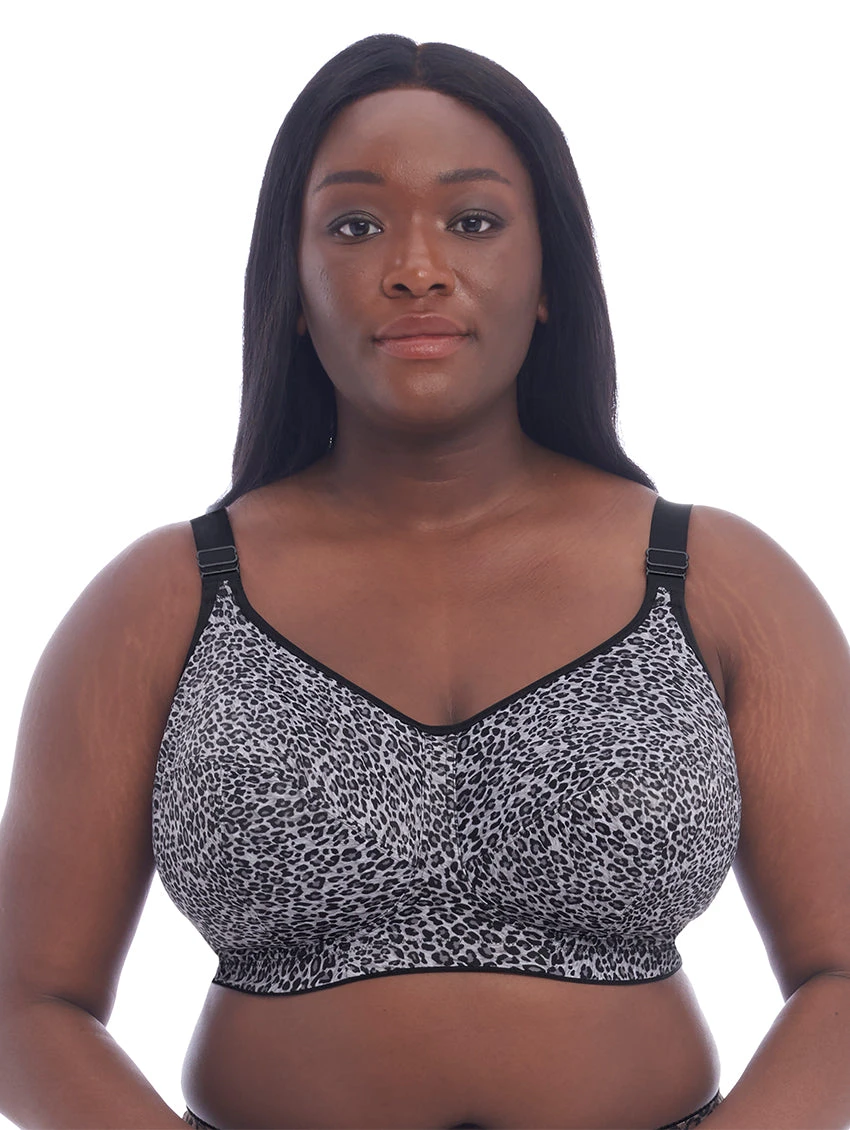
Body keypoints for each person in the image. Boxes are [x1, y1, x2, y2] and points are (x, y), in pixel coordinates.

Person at [1, 32, 849, 1130]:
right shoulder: (166, 599)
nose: (415, 266)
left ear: (549, 279)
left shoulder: (713, 579)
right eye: (355, 225)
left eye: (473, 221)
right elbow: (27, 1004)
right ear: (293, 286)